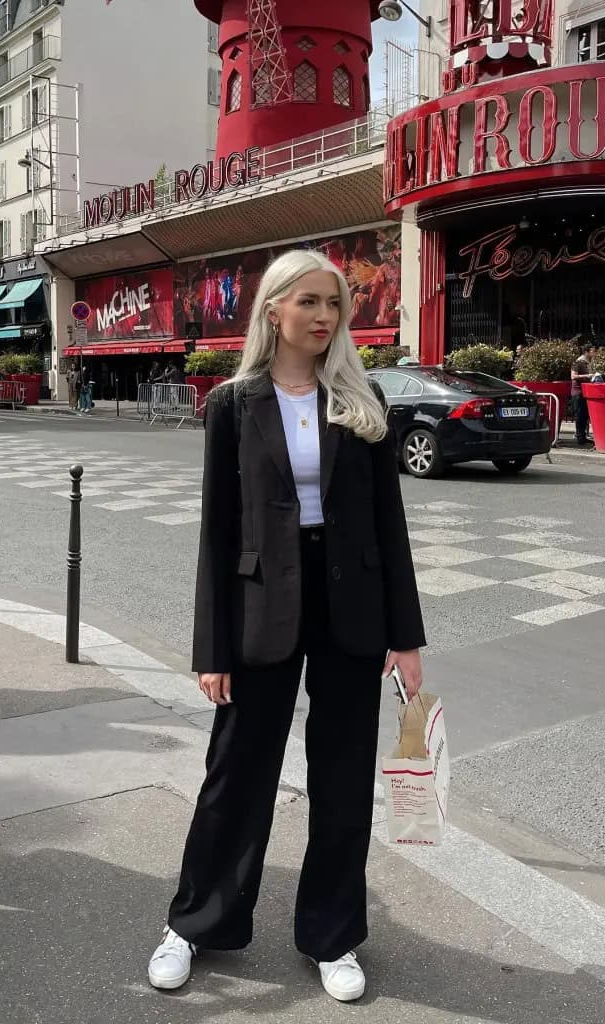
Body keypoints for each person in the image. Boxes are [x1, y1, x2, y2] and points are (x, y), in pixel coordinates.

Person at [147, 250, 426, 1003]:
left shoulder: (361, 397)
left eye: (333, 303)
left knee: (343, 781)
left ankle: (332, 936)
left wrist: (405, 637)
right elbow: (216, 533)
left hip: (351, 607)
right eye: (308, 301)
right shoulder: (233, 404)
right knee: (236, 775)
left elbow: (389, 525)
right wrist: (211, 648)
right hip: (260, 605)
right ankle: (195, 923)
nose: (324, 316)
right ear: (273, 310)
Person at [570, 343, 595, 445]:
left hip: (585, 392)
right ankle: (579, 436)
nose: (594, 353)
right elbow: (573, 376)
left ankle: (583, 436)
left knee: (584, 415)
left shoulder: (588, 363)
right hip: (578, 392)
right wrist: (588, 375)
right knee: (580, 415)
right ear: (586, 352)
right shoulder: (578, 362)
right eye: (593, 351)